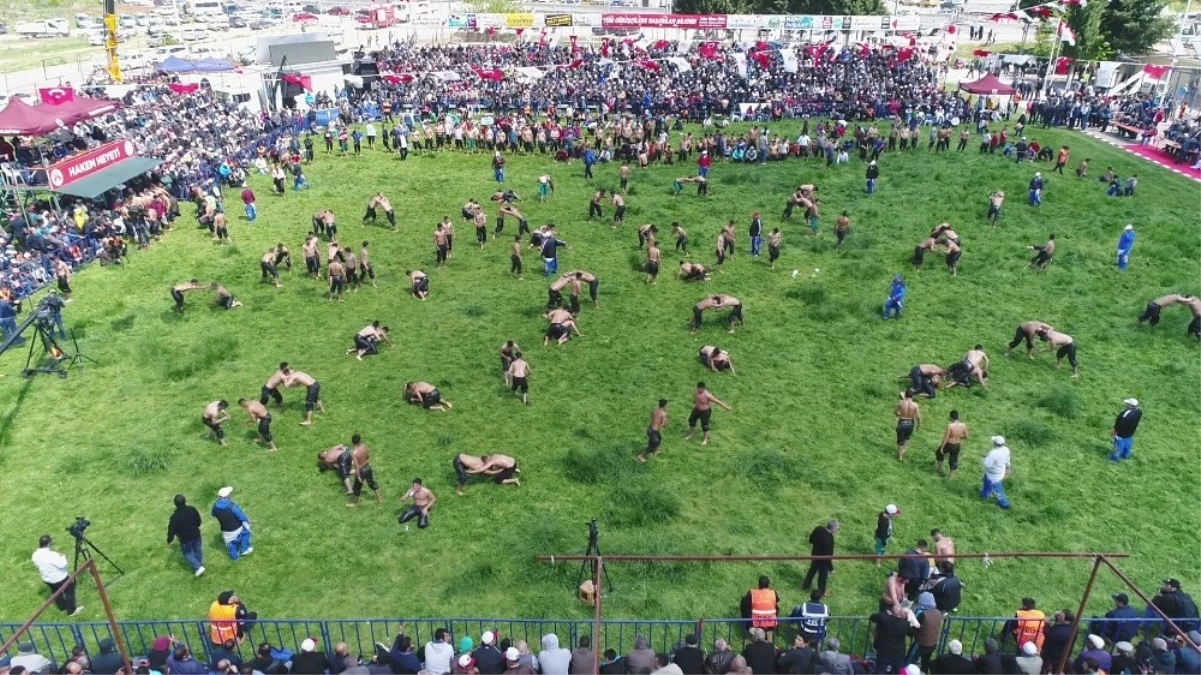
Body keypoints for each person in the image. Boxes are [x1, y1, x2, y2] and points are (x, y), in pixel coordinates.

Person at [32, 535, 82, 616]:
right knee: (69, 590)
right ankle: (71, 611)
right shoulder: (52, 555)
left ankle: (62, 606)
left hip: (47, 579)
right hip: (59, 578)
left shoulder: (35, 555)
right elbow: (63, 564)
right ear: (49, 544)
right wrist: (63, 557)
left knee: (56, 591)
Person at [869, 605, 913, 675]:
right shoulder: (905, 624)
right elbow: (911, 633)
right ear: (901, 613)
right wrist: (906, 619)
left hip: (884, 652)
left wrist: (886, 613)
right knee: (899, 672)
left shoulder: (884, 618)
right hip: (898, 653)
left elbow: (872, 617)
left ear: (891, 611)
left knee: (880, 670)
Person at [167, 494, 205, 577]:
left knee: (187, 553)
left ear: (175, 504)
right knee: (197, 549)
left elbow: (171, 530)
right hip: (196, 534)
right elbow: (198, 521)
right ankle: (199, 565)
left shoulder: (174, 517)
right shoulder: (192, 509)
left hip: (185, 539)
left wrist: (169, 540)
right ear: (185, 501)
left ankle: (198, 567)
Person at [211, 486, 253, 560]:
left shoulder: (214, 506)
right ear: (227, 496)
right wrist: (248, 520)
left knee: (230, 543)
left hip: (225, 530)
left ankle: (234, 558)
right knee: (246, 531)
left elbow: (213, 514)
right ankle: (245, 549)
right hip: (237, 527)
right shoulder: (231, 506)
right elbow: (241, 516)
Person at [685, 381, 732, 446]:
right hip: (696, 409)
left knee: (705, 425)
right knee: (691, 420)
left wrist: (726, 407)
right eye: (698, 388)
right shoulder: (696, 391)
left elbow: (717, 401)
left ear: (703, 388)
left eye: (700, 389)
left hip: (705, 411)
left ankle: (706, 439)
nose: (699, 390)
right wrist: (695, 402)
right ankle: (692, 434)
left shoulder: (707, 395)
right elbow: (696, 398)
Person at [802, 520, 838, 595]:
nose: (837, 530)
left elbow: (811, 539)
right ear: (833, 528)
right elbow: (828, 556)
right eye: (837, 528)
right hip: (823, 561)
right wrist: (831, 568)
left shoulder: (819, 529)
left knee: (812, 571)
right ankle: (821, 592)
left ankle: (805, 586)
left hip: (814, 555)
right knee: (822, 577)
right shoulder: (829, 539)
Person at [346, 433, 382, 507]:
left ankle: (355, 503)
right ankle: (379, 499)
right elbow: (368, 456)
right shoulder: (364, 446)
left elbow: (356, 466)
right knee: (372, 483)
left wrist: (358, 476)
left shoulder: (354, 453)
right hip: (368, 467)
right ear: (359, 441)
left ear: (352, 442)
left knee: (356, 488)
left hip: (361, 471)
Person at [741, 576, 780, 642]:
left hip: (756, 624)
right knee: (776, 606)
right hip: (771, 623)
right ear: (768, 585)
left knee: (744, 602)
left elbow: (745, 605)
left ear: (758, 584)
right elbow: (777, 601)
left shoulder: (752, 593)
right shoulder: (773, 593)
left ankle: (746, 624)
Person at [934, 410, 969, 478]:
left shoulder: (950, 426)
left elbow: (946, 438)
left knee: (939, 453)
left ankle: (939, 470)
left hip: (949, 444)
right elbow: (966, 437)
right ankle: (951, 476)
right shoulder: (963, 425)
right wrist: (959, 438)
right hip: (957, 445)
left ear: (951, 417)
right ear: (958, 417)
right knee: (954, 459)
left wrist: (942, 448)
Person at [981, 436, 1012, 510]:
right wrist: (1008, 468)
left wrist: (984, 458)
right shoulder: (1006, 449)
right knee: (986, 481)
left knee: (997, 490)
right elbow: (1007, 460)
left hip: (993, 474)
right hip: (1000, 471)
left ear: (995, 443)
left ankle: (1005, 504)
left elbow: (987, 464)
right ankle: (984, 495)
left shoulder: (993, 453)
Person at [638, 399, 670, 463]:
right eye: (667, 405)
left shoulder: (655, 410)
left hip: (650, 429)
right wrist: (666, 421)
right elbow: (663, 425)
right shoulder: (663, 414)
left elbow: (652, 417)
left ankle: (656, 451)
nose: (668, 406)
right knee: (653, 444)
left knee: (659, 438)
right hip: (653, 431)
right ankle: (641, 456)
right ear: (664, 406)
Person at [894, 391, 920, 460]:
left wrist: (899, 414)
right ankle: (903, 451)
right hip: (910, 422)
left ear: (905, 395)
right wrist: (918, 426)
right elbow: (918, 417)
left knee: (900, 439)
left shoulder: (901, 403)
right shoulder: (915, 405)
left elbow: (895, 412)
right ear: (913, 396)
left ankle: (900, 456)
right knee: (907, 438)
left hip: (902, 421)